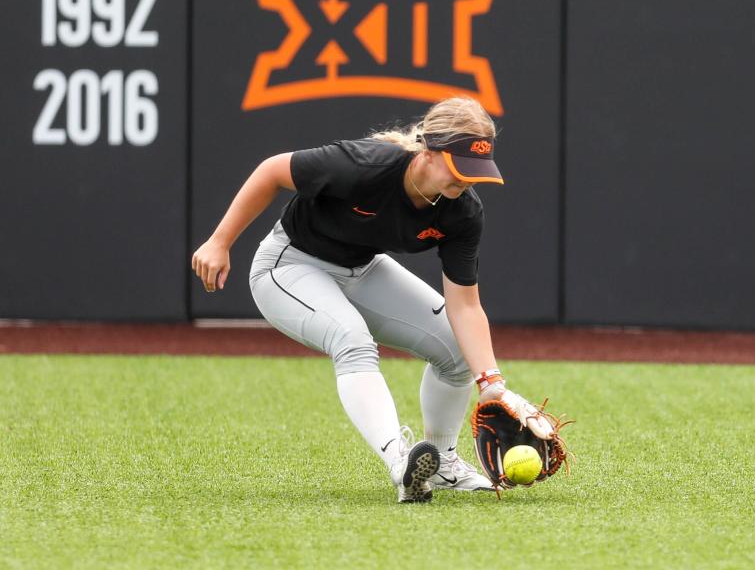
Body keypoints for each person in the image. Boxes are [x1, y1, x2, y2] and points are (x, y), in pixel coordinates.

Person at [191, 96, 555, 503]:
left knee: (457, 353)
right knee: (353, 341)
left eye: (476, 171)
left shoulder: (462, 211)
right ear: (430, 150)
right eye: (460, 167)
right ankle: (401, 462)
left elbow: (465, 305)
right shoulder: (365, 165)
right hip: (288, 266)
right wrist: (220, 242)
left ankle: (443, 464)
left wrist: (492, 384)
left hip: (361, 269)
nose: (467, 180)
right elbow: (272, 170)